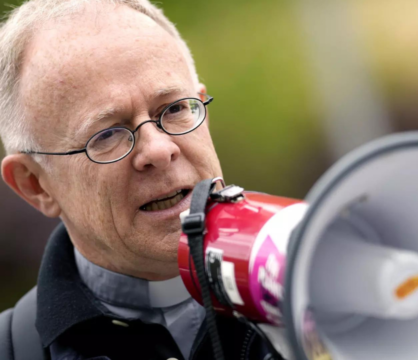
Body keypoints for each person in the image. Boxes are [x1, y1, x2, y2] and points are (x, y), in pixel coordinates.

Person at [0, 0, 271, 359]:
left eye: (174, 109)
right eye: (107, 134)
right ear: (35, 184)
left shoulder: (328, 283)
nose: (159, 151)